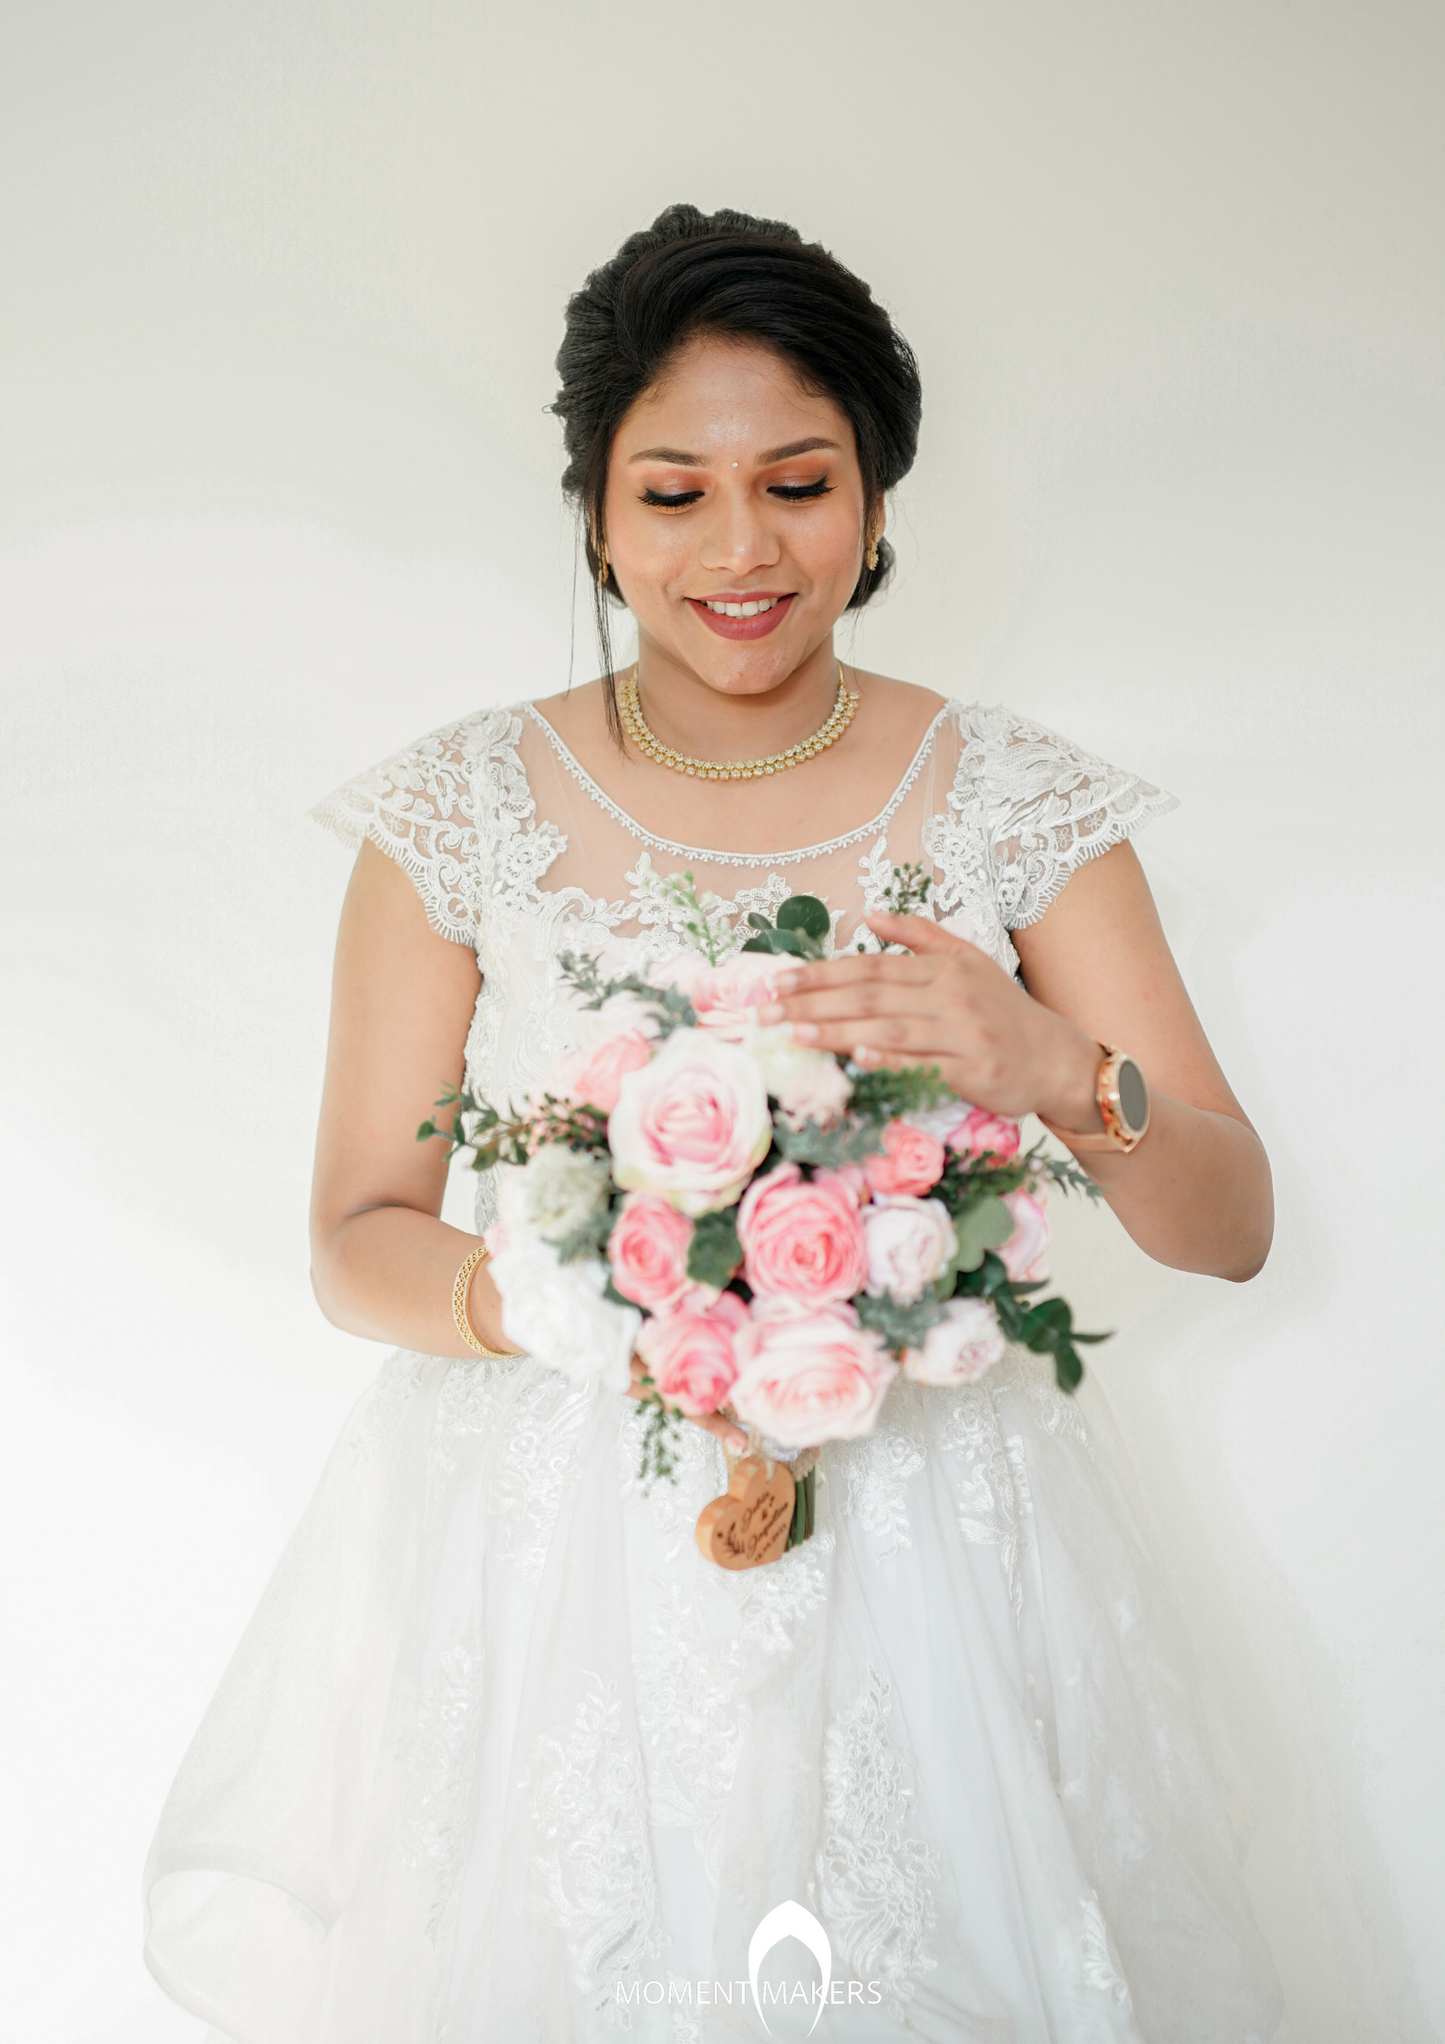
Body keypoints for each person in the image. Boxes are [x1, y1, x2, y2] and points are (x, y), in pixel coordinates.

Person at [143, 204, 1285, 2043]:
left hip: (931, 1531)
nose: (742, 550)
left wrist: (1055, 1067)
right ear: (596, 510)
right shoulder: (460, 811)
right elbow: (357, 1229)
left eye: (801, 483)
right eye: (673, 493)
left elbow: (1227, 1220)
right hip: (556, 1547)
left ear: (882, 501)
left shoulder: (1005, 797)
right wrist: (601, 1301)